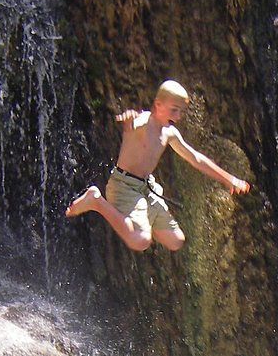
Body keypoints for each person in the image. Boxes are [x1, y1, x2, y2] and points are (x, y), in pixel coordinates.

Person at [64, 79, 250, 252]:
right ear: (158, 104)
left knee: (176, 240)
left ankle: (140, 218)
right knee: (141, 241)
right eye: (174, 110)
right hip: (123, 186)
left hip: (145, 187)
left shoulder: (170, 133)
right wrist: (129, 122)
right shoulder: (143, 122)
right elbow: (131, 127)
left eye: (181, 112)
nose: (178, 117)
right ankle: (96, 201)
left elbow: (196, 158)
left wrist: (229, 179)